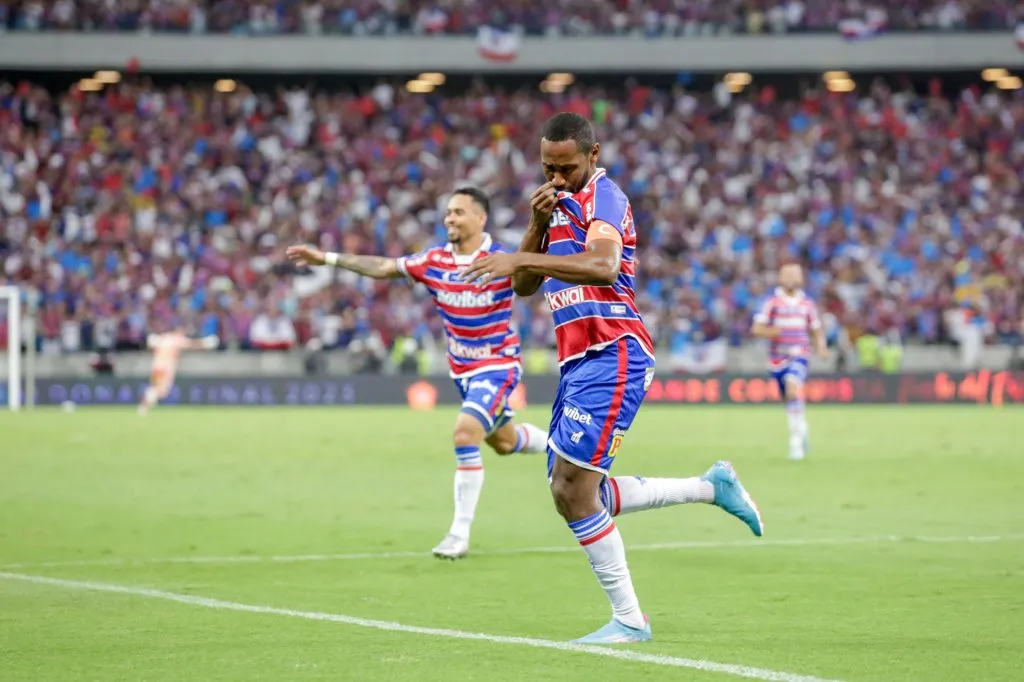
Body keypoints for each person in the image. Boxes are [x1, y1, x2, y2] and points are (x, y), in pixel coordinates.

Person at [462, 113, 764, 644]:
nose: (556, 177)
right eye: (547, 168)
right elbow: (525, 285)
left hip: (614, 351)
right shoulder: (556, 206)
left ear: (594, 154)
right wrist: (535, 226)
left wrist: (520, 253)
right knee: (575, 493)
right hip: (577, 361)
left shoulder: (606, 197)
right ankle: (710, 487)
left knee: (572, 489)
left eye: (566, 167)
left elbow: (603, 266)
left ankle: (630, 619)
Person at [285, 187, 548, 560]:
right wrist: (327, 258)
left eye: (458, 212)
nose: (450, 219)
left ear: (480, 218)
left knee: (464, 433)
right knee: (504, 442)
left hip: (498, 365)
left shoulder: (501, 259)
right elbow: (384, 267)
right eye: (448, 213)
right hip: (463, 372)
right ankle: (558, 447)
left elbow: (529, 283)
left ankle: (458, 534)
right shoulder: (435, 260)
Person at [751, 263, 829, 461]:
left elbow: (816, 328)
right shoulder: (773, 302)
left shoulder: (807, 304)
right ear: (781, 278)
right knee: (788, 397)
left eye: (796, 274)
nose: (793, 278)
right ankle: (801, 426)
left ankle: (795, 441)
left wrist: (821, 346)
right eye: (788, 275)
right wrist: (771, 331)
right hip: (778, 359)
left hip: (800, 354)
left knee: (793, 387)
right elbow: (757, 329)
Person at [138, 327, 219, 415]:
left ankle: (145, 405)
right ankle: (144, 405)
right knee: (160, 390)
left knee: (157, 388)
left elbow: (151, 343)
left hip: (156, 365)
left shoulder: (164, 337)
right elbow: (191, 344)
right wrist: (206, 343)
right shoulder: (176, 339)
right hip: (166, 367)